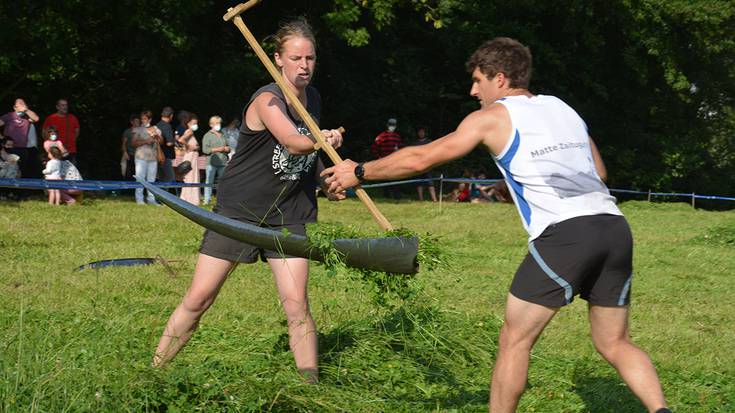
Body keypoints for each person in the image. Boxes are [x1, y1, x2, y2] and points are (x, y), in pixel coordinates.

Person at [322, 37, 671, 413]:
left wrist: (359, 171)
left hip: (567, 234)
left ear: (500, 79)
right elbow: (598, 172)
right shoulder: (562, 108)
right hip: (615, 227)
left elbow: (423, 158)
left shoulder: (491, 117)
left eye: (478, 80)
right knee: (615, 342)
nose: (474, 90)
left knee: (515, 341)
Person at [152, 19, 344, 384]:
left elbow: (307, 155)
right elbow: (294, 140)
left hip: (289, 212)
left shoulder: (313, 98)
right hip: (239, 211)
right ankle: (153, 372)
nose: (304, 65)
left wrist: (325, 180)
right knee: (199, 298)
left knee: (297, 306)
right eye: (296, 58)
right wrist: (325, 138)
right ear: (278, 59)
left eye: (311, 58)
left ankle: (311, 384)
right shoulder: (267, 99)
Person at [0, 98, 40, 189]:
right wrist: (1, 138)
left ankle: (17, 192)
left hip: (23, 148)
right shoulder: (9, 116)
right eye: (20, 104)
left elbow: (36, 118)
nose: (22, 106)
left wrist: (26, 110)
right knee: (7, 170)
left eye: (24, 104)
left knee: (21, 171)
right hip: (9, 148)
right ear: (15, 107)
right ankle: (5, 191)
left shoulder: (27, 117)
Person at [132, 110, 162, 205]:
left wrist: (157, 137)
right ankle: (139, 199)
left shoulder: (156, 128)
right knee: (140, 178)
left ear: (150, 119)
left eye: (145, 119)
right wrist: (146, 142)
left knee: (152, 179)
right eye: (142, 119)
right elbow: (133, 143)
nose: (143, 120)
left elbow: (161, 142)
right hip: (141, 156)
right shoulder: (138, 129)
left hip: (153, 156)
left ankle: (151, 199)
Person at [371, 117, 403, 199]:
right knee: (386, 177)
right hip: (384, 160)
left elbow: (401, 149)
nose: (392, 126)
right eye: (391, 125)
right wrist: (379, 158)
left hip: (394, 161)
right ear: (387, 125)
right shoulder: (382, 136)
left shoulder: (397, 137)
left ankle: (397, 196)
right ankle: (387, 196)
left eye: (393, 125)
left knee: (396, 177)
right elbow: (374, 148)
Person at [42, 98, 80, 165]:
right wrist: (50, 146)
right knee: (55, 172)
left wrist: (72, 140)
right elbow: (44, 133)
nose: (65, 107)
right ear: (57, 107)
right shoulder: (51, 118)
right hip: (56, 152)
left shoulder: (72, 118)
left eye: (66, 105)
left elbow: (77, 132)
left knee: (71, 173)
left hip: (70, 150)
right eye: (62, 105)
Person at [202, 115, 229, 205]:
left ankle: (222, 200)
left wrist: (227, 149)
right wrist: (219, 149)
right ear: (211, 124)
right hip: (211, 162)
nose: (218, 125)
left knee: (223, 182)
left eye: (219, 123)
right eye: (216, 123)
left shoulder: (223, 134)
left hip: (223, 162)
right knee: (209, 181)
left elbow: (228, 146)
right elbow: (205, 150)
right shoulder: (208, 135)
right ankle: (207, 200)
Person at [413, 127, 438, 202]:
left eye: (422, 132)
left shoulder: (429, 141)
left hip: (427, 165)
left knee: (430, 183)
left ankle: (434, 200)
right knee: (419, 183)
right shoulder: (415, 143)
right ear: (418, 133)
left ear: (424, 133)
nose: (421, 133)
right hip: (419, 165)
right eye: (420, 132)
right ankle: (421, 199)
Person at [179, 130, 200, 205]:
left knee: (193, 177)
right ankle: (188, 198)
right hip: (190, 156)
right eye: (193, 123)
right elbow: (181, 140)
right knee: (190, 177)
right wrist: (188, 146)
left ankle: (192, 198)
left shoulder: (192, 133)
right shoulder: (189, 132)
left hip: (194, 156)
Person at [157, 106, 177, 185]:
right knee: (169, 178)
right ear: (171, 115)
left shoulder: (157, 125)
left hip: (158, 155)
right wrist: (175, 141)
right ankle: (164, 197)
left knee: (161, 178)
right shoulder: (167, 126)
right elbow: (169, 143)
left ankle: (159, 196)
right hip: (166, 156)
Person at [121, 114, 141, 179]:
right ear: (132, 122)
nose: (137, 123)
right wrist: (125, 152)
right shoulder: (127, 131)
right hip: (130, 154)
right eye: (136, 121)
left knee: (138, 173)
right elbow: (124, 143)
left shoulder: (142, 131)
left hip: (140, 155)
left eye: (138, 121)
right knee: (128, 173)